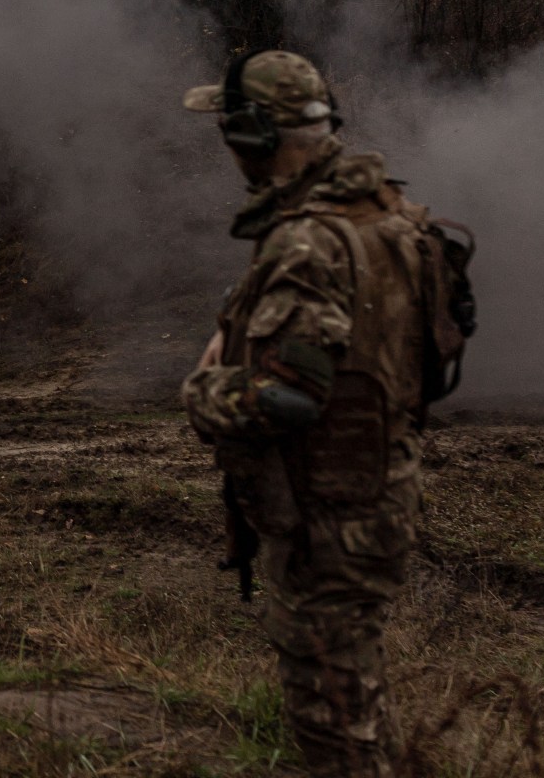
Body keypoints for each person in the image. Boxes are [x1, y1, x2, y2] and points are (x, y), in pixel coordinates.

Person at [181, 50, 429, 778]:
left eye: (231, 129)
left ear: (258, 137)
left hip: (330, 521)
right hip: (379, 490)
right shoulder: (386, 213)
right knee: (356, 707)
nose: (227, 146)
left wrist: (202, 391)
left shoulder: (306, 241)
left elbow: (292, 397)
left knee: (332, 730)